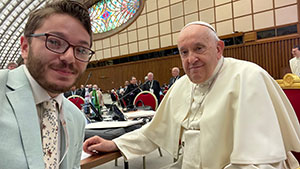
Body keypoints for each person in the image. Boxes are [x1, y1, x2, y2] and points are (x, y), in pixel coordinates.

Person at [83, 21, 300, 168]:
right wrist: (116, 144)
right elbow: (154, 131)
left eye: (199, 49)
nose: (190, 59)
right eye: (184, 52)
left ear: (218, 49)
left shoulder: (248, 77)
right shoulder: (182, 86)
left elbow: (259, 159)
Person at [0, 1, 94, 168]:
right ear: (25, 47)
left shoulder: (76, 120)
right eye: (55, 42)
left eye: (81, 50)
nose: (69, 58)